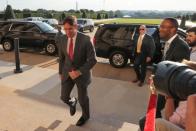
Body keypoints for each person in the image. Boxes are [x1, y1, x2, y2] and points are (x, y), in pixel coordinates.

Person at [139, 18, 190, 131]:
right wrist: (155, 77)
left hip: (172, 94)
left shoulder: (181, 47)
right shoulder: (169, 43)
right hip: (165, 89)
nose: (159, 29)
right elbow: (165, 65)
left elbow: (178, 76)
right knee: (153, 113)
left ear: (172, 29)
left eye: (163, 27)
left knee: (146, 121)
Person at [58, 16, 97, 126]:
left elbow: (93, 60)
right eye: (65, 29)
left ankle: (85, 116)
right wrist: (60, 72)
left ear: (76, 26)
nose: (67, 32)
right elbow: (61, 58)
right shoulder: (62, 39)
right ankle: (72, 102)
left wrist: (79, 72)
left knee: (83, 99)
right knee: (64, 97)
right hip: (67, 73)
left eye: (70, 29)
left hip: (81, 75)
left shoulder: (86, 39)